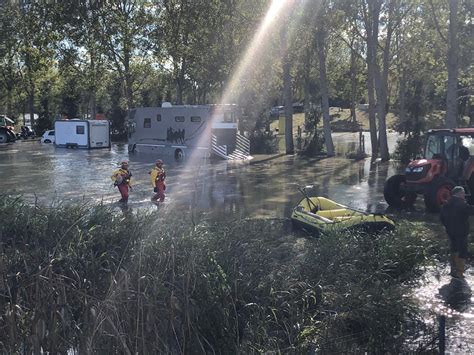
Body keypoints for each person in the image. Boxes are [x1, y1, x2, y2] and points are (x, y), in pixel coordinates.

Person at [440, 186, 474, 278]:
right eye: (463, 193)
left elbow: (442, 218)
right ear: (460, 193)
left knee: (453, 249)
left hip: (450, 231)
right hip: (461, 231)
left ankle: (453, 270)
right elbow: (471, 211)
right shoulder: (461, 204)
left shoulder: (446, 204)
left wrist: (447, 227)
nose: (464, 195)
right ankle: (460, 273)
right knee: (462, 251)